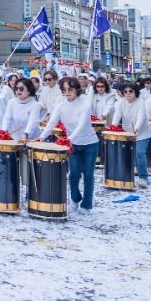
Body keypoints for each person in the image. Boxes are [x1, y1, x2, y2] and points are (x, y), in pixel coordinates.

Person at [38, 77, 99, 215]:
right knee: (73, 174)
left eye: (70, 89)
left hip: (90, 144)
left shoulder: (85, 103)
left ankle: (87, 204)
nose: (67, 92)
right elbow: (52, 122)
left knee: (88, 174)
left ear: (77, 89)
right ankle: (75, 198)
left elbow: (82, 125)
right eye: (64, 89)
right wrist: (42, 137)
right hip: (74, 145)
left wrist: (69, 139)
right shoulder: (61, 105)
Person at [113, 82, 151, 188]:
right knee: (128, 155)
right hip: (127, 132)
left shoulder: (141, 102)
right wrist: (113, 127)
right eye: (125, 92)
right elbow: (117, 116)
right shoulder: (120, 102)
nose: (128, 93)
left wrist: (136, 128)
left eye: (130, 91)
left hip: (142, 133)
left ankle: (143, 177)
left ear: (136, 92)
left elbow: (141, 117)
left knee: (139, 153)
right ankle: (126, 176)